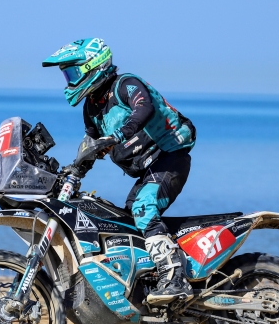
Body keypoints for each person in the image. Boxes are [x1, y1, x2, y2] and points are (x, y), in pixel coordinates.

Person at [42, 38, 196, 305]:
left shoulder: (126, 84)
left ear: (94, 66)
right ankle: (148, 280)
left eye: (73, 73)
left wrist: (119, 135)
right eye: (67, 75)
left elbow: (144, 108)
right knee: (126, 221)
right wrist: (72, 173)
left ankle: (175, 279)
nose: (70, 81)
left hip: (170, 157)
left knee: (143, 209)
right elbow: (91, 144)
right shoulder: (92, 107)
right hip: (148, 170)